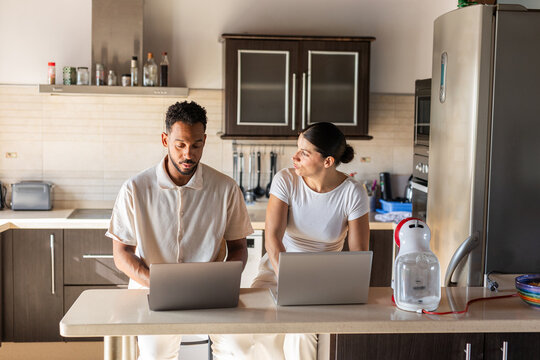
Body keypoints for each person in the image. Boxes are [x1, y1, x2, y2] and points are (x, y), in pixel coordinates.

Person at [106, 100, 253, 360]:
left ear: (204, 141)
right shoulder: (135, 188)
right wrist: (158, 285)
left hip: (210, 291)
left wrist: (225, 281)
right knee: (155, 355)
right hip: (151, 289)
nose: (189, 154)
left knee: (239, 349)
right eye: (180, 145)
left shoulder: (226, 188)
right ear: (165, 140)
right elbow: (121, 253)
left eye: (196, 145)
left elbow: (239, 247)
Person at [211, 122, 370, 360]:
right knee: (248, 330)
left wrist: (336, 293)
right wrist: (290, 284)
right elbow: (273, 239)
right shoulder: (285, 179)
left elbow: (359, 256)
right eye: (297, 149)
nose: (294, 157)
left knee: (301, 334)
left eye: (304, 153)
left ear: (327, 161)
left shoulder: (353, 193)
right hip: (276, 272)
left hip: (321, 284)